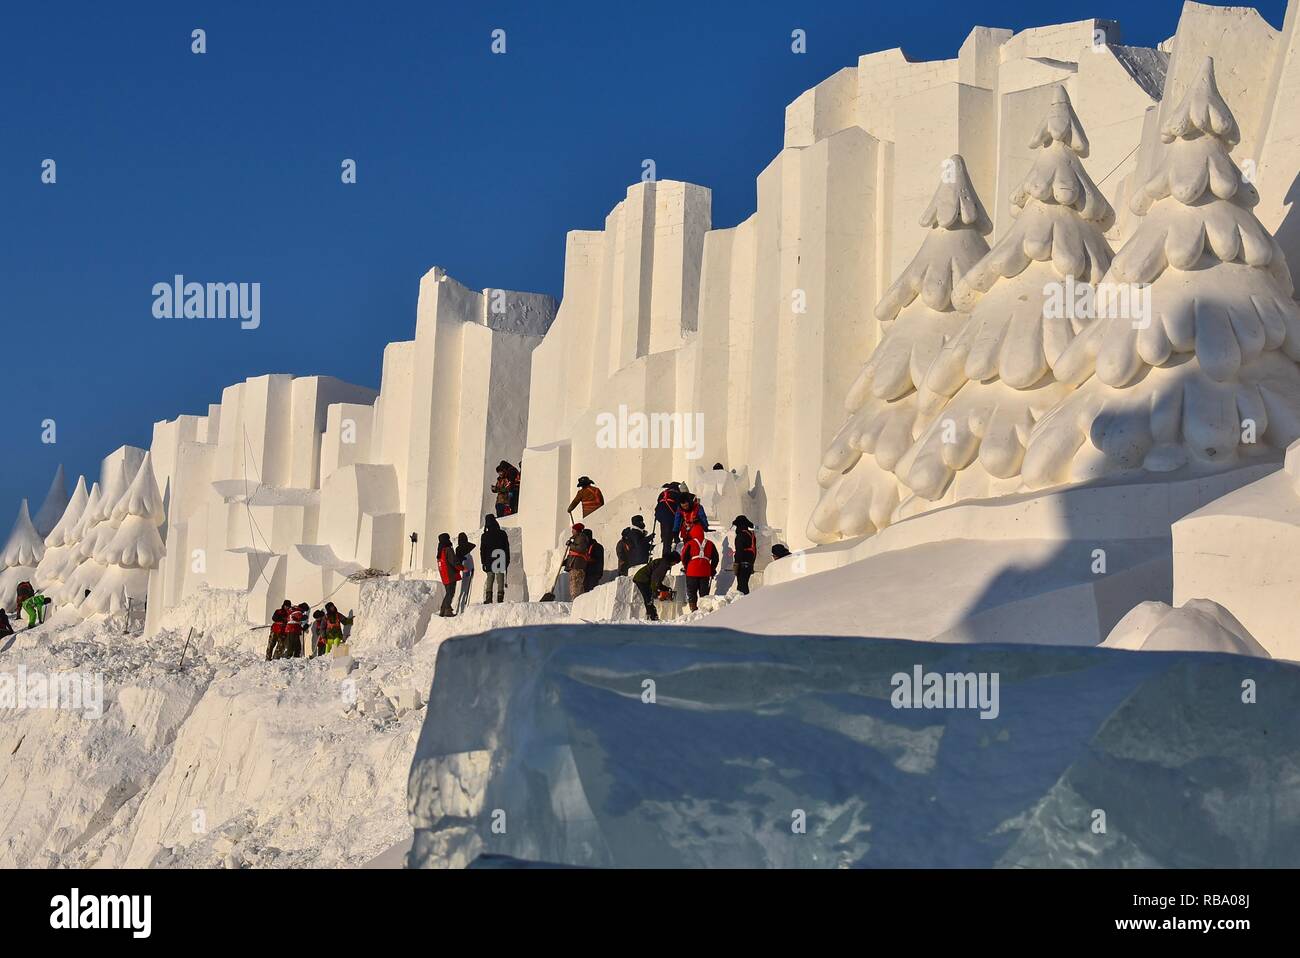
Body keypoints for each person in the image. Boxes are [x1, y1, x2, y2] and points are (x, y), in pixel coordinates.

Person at [632, 550, 680, 621]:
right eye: (675, 562)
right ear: (673, 560)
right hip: (642, 579)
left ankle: (650, 616)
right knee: (649, 598)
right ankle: (653, 617)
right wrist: (655, 591)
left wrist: (665, 588)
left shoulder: (663, 562)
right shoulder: (664, 565)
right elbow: (655, 579)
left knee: (648, 598)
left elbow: (657, 580)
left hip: (643, 578)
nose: (675, 564)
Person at [681, 525, 719, 612]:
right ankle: (704, 610)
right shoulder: (710, 543)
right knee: (704, 592)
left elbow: (684, 557)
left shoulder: (690, 543)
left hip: (692, 572)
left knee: (692, 592)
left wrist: (686, 567)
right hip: (705, 571)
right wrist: (712, 569)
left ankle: (693, 609)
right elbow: (716, 558)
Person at [480, 514, 510, 603]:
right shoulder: (502, 533)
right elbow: (506, 548)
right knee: (500, 578)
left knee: (490, 578)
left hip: (489, 559)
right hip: (500, 557)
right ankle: (500, 598)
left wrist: (483, 562)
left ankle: (488, 598)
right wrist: (507, 560)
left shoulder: (485, 535)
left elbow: (482, 550)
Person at [562, 522, 591, 599]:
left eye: (573, 530)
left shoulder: (581, 538)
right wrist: (566, 562)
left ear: (577, 530)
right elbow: (573, 554)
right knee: (575, 586)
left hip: (577, 566)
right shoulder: (576, 538)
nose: (572, 531)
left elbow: (580, 549)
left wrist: (570, 544)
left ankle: (575, 602)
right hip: (574, 565)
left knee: (575, 587)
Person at [654, 482, 681, 558]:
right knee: (670, 531)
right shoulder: (677, 494)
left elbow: (658, 502)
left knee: (664, 530)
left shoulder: (662, 493)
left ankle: (664, 539)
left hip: (660, 514)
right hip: (670, 515)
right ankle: (666, 556)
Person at [731, 515, 757, 596]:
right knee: (744, 585)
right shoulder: (750, 534)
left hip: (742, 564)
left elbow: (739, 551)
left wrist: (736, 563)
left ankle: (744, 605)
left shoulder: (741, 535)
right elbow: (754, 550)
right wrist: (752, 563)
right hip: (749, 563)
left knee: (741, 588)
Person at [436, 533, 460, 617]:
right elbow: (453, 561)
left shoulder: (440, 550)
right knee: (450, 593)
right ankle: (447, 610)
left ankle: (443, 609)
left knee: (448, 593)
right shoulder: (447, 549)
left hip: (444, 575)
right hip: (450, 574)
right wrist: (462, 567)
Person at [455, 532, 476, 614]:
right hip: (469, 567)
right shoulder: (470, 546)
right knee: (467, 589)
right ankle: (464, 607)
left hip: (463, 569)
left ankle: (460, 609)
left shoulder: (458, 549)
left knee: (462, 590)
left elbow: (457, 560)